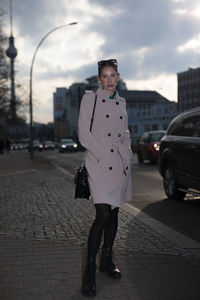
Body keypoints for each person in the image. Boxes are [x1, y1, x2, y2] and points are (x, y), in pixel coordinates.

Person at [78, 59, 132, 297]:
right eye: (105, 76)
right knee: (103, 214)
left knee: (115, 214)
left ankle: (107, 260)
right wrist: (103, 156)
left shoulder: (122, 102)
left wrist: (126, 153)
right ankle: (90, 269)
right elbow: (83, 134)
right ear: (99, 79)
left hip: (118, 164)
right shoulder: (90, 98)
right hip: (99, 163)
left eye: (113, 75)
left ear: (118, 77)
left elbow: (125, 133)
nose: (109, 80)